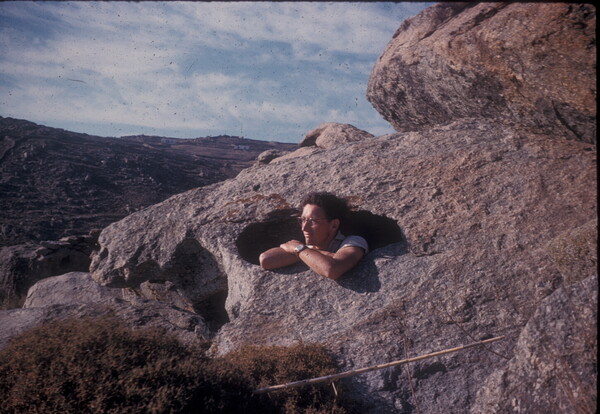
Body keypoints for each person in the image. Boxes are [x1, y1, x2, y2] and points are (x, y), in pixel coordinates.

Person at [259, 192, 368, 280]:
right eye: (303, 220)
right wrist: (308, 251)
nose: (304, 228)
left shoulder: (354, 242)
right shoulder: (303, 248)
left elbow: (332, 269)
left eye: (312, 221)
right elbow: (265, 259)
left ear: (334, 225)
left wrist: (300, 250)